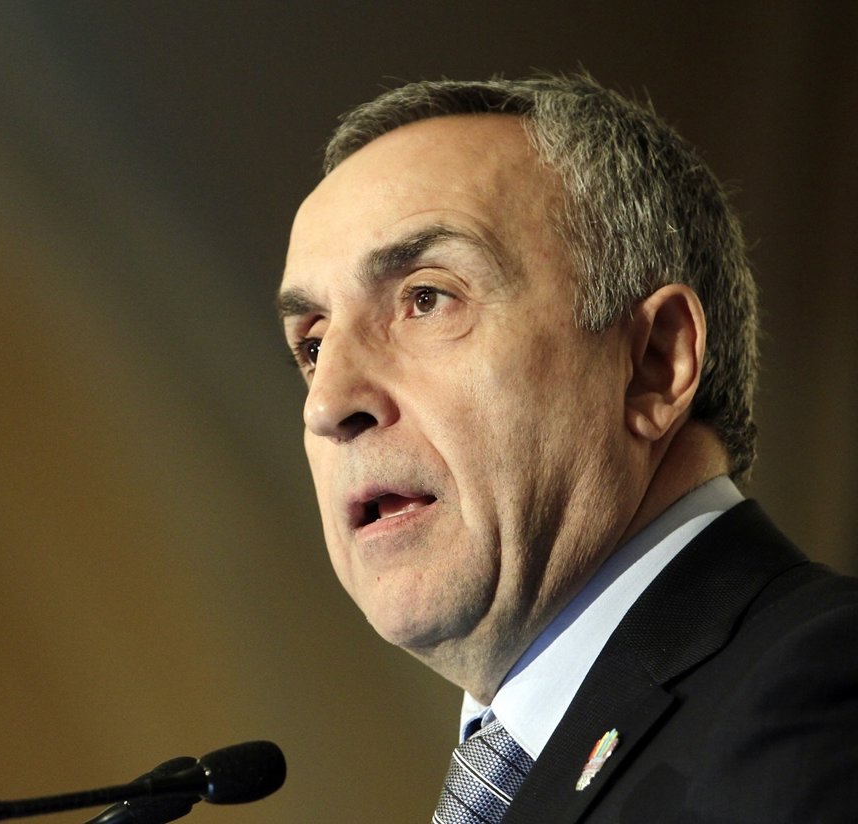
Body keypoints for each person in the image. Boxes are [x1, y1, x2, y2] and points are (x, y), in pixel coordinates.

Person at [277, 74, 858, 823]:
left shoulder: (819, 689)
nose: (327, 404)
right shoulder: (540, 761)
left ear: (654, 362)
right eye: (313, 344)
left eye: (426, 298)